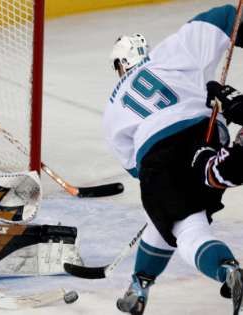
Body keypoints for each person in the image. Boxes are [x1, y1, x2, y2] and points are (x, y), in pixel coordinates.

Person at [104, 5, 243, 315]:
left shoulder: (112, 107)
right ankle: (140, 284)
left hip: (156, 156)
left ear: (120, 64)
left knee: (182, 222)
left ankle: (227, 270)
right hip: (205, 133)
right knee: (172, 216)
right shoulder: (167, 56)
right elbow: (223, 18)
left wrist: (162, 186)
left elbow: (134, 167)